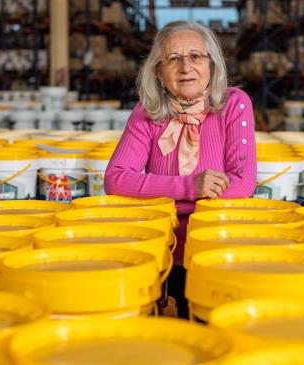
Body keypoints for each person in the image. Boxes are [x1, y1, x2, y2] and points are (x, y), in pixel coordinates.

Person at [104, 20, 256, 317]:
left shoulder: (235, 104)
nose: (186, 67)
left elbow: (242, 184)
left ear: (212, 65)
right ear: (159, 73)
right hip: (161, 250)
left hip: (214, 251)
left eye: (196, 57)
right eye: (173, 59)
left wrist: (158, 194)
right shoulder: (147, 112)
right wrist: (191, 187)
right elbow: (116, 180)